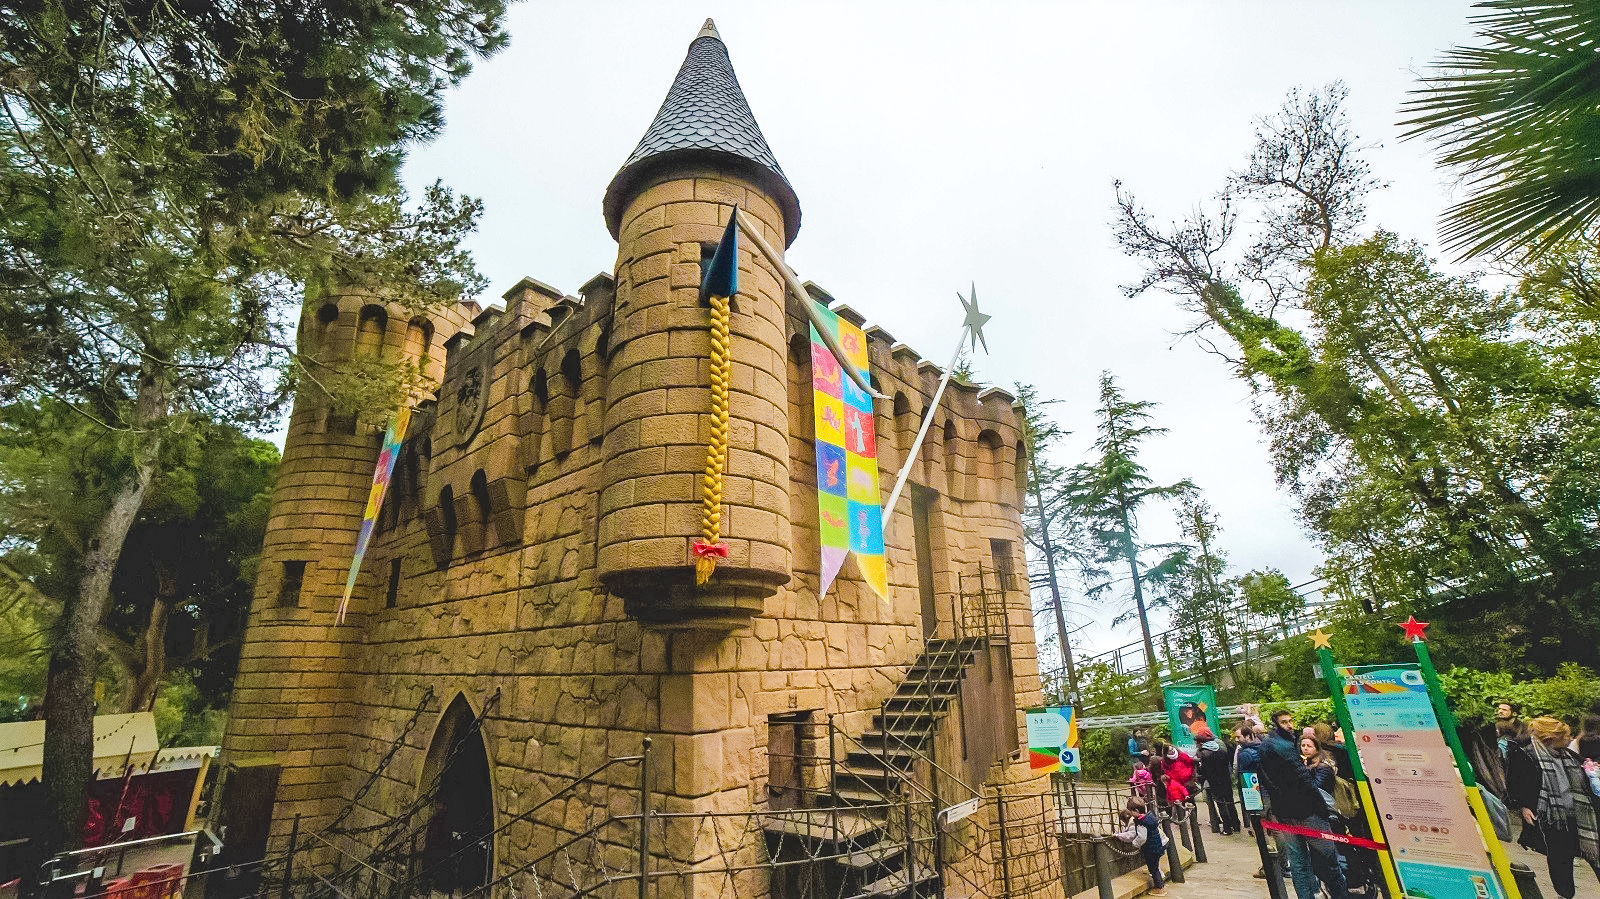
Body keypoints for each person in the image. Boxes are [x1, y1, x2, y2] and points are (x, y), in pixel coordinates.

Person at [1259, 708, 1349, 899]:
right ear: (1275, 723)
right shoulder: (1283, 746)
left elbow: (1266, 779)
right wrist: (1322, 810)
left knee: (1298, 862)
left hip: (1284, 812)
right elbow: (1306, 784)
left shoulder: (1270, 745)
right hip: (1306, 813)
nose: (1290, 725)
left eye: (1290, 721)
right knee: (1330, 860)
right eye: (1285, 722)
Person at [1506, 716, 1600, 899]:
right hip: (1553, 818)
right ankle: (1564, 895)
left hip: (1580, 816)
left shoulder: (1571, 756)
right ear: (1551, 738)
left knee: (1594, 855)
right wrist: (1524, 806)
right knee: (1560, 860)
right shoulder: (1526, 754)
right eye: (1566, 736)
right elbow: (1516, 783)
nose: (1570, 739)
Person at [1114, 796, 1169, 897]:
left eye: (1131, 811)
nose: (1131, 814)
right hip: (1157, 846)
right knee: (1154, 866)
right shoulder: (1149, 817)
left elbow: (1142, 837)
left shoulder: (1142, 823)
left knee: (1154, 869)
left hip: (1151, 848)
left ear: (1136, 810)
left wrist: (1135, 843)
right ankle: (1160, 883)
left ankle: (1159, 888)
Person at [1199, 727, 1241, 835]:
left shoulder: (1204, 753)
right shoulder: (1221, 750)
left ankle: (1227, 828)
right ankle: (1236, 825)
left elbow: (1204, 771)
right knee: (1230, 802)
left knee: (1221, 804)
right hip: (1225, 779)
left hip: (1214, 782)